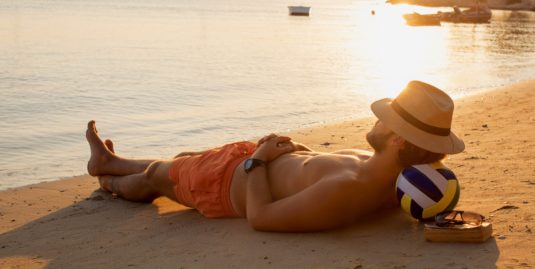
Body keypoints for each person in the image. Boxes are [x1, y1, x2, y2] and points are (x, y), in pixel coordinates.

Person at [86, 81, 465, 232]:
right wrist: (298, 152)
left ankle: (109, 179)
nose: (376, 120)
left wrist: (259, 161)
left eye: (385, 121)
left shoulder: (350, 188)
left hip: (226, 183)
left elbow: (261, 218)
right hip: (251, 163)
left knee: (156, 176)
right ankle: (111, 164)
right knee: (182, 155)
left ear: (398, 140)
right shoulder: (385, 174)